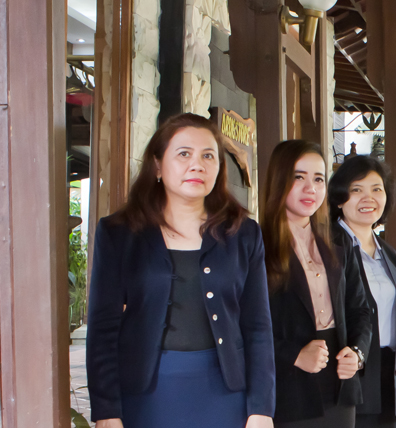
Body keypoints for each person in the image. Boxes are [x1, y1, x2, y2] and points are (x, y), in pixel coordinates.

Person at [86, 113, 274, 428]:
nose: (197, 165)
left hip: (225, 396)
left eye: (208, 156)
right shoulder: (119, 233)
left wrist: (261, 409)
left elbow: (258, 327)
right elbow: (102, 328)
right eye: (184, 154)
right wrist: (106, 411)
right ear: (158, 165)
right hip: (145, 397)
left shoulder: (243, 234)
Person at [262, 140, 373, 427]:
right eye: (299, 177)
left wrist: (357, 354)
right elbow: (246, 323)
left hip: (339, 384)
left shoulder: (339, 240)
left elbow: (360, 309)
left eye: (319, 179)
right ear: (279, 179)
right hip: (288, 387)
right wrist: (295, 355)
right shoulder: (257, 245)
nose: (310, 188)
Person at [329, 155, 396, 428]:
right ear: (339, 198)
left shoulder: (389, 254)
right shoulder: (328, 247)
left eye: (377, 189)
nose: (369, 198)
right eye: (356, 189)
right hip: (347, 378)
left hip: (388, 380)